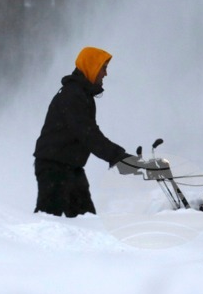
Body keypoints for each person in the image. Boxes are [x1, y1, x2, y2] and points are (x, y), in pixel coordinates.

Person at [33, 46, 131, 217]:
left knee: (85, 219)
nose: (105, 74)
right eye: (103, 68)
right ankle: (18, 244)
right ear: (91, 67)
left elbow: (89, 133)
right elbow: (88, 134)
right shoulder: (73, 96)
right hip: (54, 167)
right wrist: (117, 156)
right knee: (47, 220)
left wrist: (118, 157)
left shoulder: (82, 95)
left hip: (70, 167)